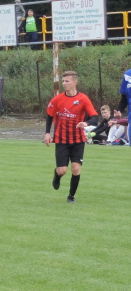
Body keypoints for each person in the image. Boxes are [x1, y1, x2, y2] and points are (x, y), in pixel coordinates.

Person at [44, 70, 98, 203]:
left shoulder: (83, 99)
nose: (64, 83)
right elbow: (49, 115)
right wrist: (47, 133)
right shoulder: (57, 99)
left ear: (75, 82)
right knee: (62, 170)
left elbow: (95, 117)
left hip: (78, 140)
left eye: (67, 81)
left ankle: (71, 197)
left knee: (76, 168)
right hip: (61, 140)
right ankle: (57, 175)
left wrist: (86, 123)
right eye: (63, 81)